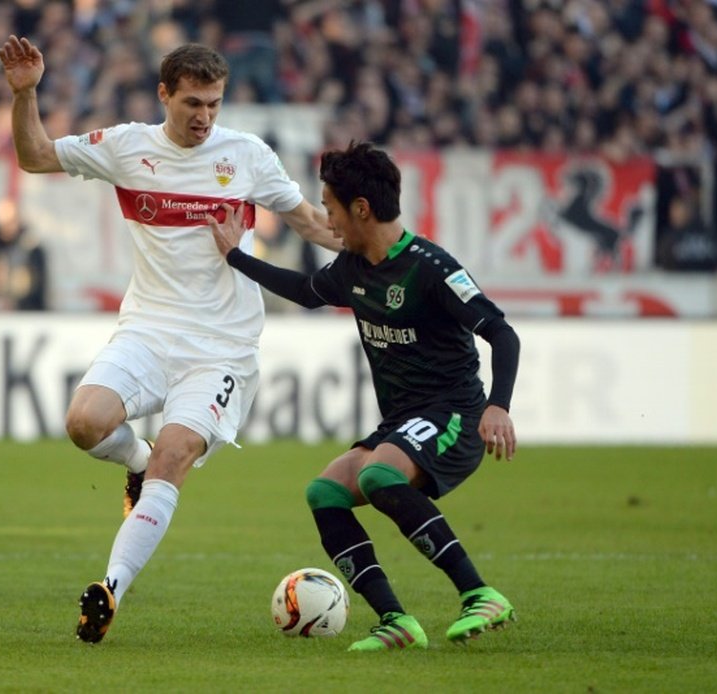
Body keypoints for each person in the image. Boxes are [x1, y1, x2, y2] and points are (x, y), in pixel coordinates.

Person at [0, 35, 337, 644]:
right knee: (82, 424)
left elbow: (308, 220)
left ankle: (110, 589)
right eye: (192, 103)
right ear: (164, 95)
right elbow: (35, 156)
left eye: (213, 103)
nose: (204, 116)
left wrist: (386, 254)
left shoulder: (248, 156)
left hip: (221, 348)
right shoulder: (127, 146)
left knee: (175, 453)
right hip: (148, 331)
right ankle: (134, 462)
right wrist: (26, 95)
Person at [209, 141, 521, 651]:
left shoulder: (431, 267)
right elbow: (309, 292)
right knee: (325, 493)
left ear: (361, 208)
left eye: (331, 209)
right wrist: (237, 258)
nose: (327, 223)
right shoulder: (354, 267)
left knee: (380, 474)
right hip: (403, 421)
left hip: (454, 415)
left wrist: (498, 406)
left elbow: (502, 334)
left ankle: (480, 594)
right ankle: (396, 620)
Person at [0, 198, 48, 311]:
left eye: (13, 220)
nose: (10, 225)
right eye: (6, 221)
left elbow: (36, 284)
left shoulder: (30, 248)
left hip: (25, 309)